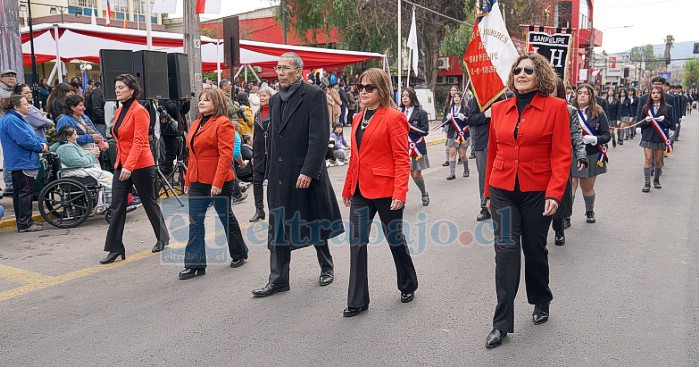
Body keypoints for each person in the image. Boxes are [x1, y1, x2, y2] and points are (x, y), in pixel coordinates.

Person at [483, 53, 571, 349]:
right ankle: (501, 324)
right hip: (503, 189)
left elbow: (561, 154)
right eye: (517, 70)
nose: (521, 74)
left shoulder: (557, 108)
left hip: (537, 191)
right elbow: (492, 153)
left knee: (534, 248)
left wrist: (555, 193)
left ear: (540, 76)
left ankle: (541, 299)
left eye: (528, 70)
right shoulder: (498, 109)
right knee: (506, 252)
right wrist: (486, 194)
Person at [252, 52, 343, 298]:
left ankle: (326, 266)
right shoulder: (275, 100)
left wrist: (309, 171)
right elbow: (275, 140)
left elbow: (320, 138)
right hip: (280, 175)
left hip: (305, 173)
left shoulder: (314, 96)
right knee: (279, 226)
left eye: (285, 68)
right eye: (278, 67)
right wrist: (268, 172)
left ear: (298, 71)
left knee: (313, 221)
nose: (279, 72)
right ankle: (278, 279)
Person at [340, 68, 417, 317]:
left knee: (395, 240)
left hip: (387, 190)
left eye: (369, 87)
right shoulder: (355, 118)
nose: (362, 91)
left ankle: (408, 283)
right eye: (360, 87)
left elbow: (402, 159)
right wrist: (348, 188)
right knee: (357, 243)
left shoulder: (394, 117)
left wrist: (400, 193)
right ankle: (358, 299)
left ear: (381, 89)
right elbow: (356, 158)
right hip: (361, 191)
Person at [178, 89, 249, 279]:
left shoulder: (223, 123)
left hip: (219, 180)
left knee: (225, 218)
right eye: (200, 99)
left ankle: (239, 252)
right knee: (195, 222)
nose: (201, 102)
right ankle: (195, 264)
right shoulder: (194, 124)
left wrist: (217, 183)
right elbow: (191, 155)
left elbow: (226, 156)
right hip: (197, 180)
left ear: (216, 103)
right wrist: (187, 180)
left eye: (206, 100)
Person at [100, 74, 170, 264]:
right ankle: (115, 248)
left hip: (141, 164)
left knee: (149, 202)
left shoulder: (140, 111)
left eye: (121, 87)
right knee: (117, 206)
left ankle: (162, 237)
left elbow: (140, 141)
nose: (117, 90)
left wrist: (129, 166)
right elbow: (120, 138)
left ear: (132, 90)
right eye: (116, 87)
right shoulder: (119, 111)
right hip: (122, 164)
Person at [0, 95, 49, 232]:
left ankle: (23, 221)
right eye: (26, 104)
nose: (28, 106)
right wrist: (41, 147)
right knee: (25, 193)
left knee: (21, 193)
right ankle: (25, 223)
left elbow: (31, 136)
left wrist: (42, 143)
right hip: (21, 161)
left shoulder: (16, 119)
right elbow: (25, 140)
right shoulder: (12, 120)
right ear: (16, 107)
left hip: (21, 160)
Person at [551, 79, 587, 246]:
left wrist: (581, 155)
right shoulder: (536, 108)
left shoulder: (570, 111)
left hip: (560, 160)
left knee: (560, 196)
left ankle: (559, 228)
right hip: (538, 160)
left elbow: (577, 135)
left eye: (552, 89)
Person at [571, 83, 611, 224]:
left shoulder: (598, 113)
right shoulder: (569, 110)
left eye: (585, 93)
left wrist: (594, 139)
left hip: (591, 153)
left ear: (591, 96)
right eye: (579, 92)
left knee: (587, 187)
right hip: (573, 154)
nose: (582, 95)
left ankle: (589, 211)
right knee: (571, 185)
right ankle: (566, 215)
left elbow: (607, 135)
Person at [50, 125, 113, 190]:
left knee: (108, 175)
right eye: (75, 135)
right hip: (75, 173)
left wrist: (92, 153)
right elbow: (81, 162)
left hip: (77, 171)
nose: (77, 137)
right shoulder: (66, 148)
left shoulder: (68, 146)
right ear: (68, 137)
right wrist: (92, 155)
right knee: (109, 177)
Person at [638, 86, 673, 192]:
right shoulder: (645, 108)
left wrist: (663, 120)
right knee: (648, 159)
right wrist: (646, 121)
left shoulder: (668, 108)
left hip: (660, 136)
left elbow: (669, 124)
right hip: (648, 136)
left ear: (662, 94)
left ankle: (656, 180)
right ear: (650, 95)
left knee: (658, 161)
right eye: (653, 93)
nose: (655, 95)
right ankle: (647, 183)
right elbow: (641, 123)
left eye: (658, 93)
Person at [400, 87, 430, 206]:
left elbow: (425, 131)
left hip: (416, 148)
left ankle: (424, 193)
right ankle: (400, 199)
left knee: (416, 174)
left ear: (412, 97)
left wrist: (409, 126)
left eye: (407, 95)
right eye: (403, 96)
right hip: (401, 148)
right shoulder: (398, 112)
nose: (405, 98)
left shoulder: (421, 112)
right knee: (402, 175)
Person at [250, 86, 275, 222]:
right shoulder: (257, 114)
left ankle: (273, 210)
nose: (262, 97)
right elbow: (255, 135)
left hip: (272, 153)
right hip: (259, 153)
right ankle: (259, 210)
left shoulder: (276, 113)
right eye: (260, 95)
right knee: (257, 181)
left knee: (272, 183)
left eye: (265, 95)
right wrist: (254, 154)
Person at [444, 91, 470, 180]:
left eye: (458, 96)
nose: (456, 98)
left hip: (463, 134)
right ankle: (452, 173)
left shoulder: (466, 109)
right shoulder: (449, 109)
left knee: (462, 154)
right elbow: (444, 120)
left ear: (461, 98)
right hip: (452, 134)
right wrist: (447, 119)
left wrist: (464, 118)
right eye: (454, 96)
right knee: (452, 153)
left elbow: (471, 120)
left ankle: (466, 169)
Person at [442, 85, 459, 166]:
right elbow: (445, 113)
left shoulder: (460, 100)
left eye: (454, 90)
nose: (453, 92)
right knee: (448, 142)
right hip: (448, 124)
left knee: (458, 141)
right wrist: (443, 123)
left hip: (458, 125)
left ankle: (460, 157)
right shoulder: (448, 102)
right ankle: (447, 159)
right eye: (451, 90)